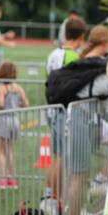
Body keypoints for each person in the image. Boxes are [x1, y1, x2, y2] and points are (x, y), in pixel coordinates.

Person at [64, 25, 108, 215]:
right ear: (106, 43)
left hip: (85, 120)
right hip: (82, 121)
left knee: (78, 176)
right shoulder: (100, 67)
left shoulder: (83, 61)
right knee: (78, 176)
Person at [46, 15, 87, 200]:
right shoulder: (73, 56)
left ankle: (50, 195)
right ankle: (59, 198)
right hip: (66, 111)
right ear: (81, 36)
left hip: (53, 110)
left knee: (57, 157)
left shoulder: (53, 54)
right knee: (64, 158)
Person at [0, 61, 29, 190]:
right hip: (15, 120)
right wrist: (16, 104)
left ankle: (2, 180)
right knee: (10, 150)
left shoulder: (2, 87)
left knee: (1, 151)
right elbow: (26, 103)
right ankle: (12, 179)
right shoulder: (18, 87)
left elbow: (1, 105)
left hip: (4, 119)